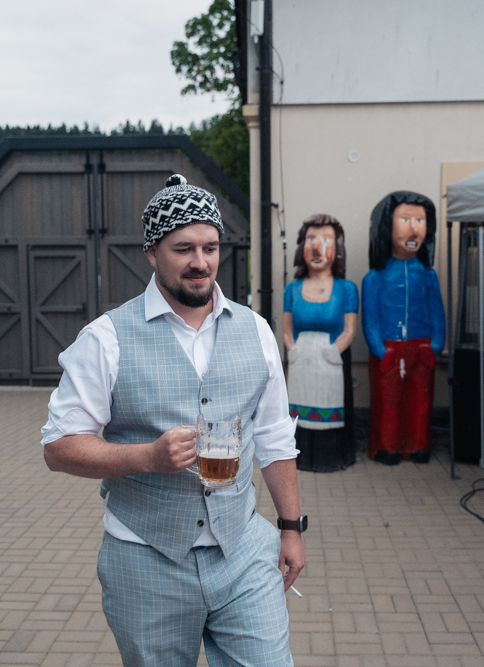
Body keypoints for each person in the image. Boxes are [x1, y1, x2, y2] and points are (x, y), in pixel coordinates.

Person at [42, 175, 305, 666]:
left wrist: (290, 528)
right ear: (152, 252)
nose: (200, 262)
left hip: (243, 551)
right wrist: (147, 456)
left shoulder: (256, 330)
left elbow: (273, 436)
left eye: (210, 247)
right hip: (145, 560)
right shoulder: (106, 338)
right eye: (183, 248)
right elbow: (59, 447)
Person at [362, 192, 445, 465]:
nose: (414, 229)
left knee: (421, 400)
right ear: (387, 226)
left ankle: (419, 445)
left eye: (420, 220)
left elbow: (437, 312)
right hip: (389, 348)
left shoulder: (428, 275)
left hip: (422, 347)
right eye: (406, 219)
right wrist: (379, 349)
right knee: (389, 400)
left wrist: (435, 345)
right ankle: (388, 446)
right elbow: (370, 319)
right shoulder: (375, 278)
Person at [283, 214, 358, 471]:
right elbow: (286, 329)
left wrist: (334, 351)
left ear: (338, 249)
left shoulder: (347, 289)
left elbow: (350, 329)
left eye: (326, 240)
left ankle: (329, 458)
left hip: (330, 362)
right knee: (299, 410)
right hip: (301, 362)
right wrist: (293, 349)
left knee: (329, 406)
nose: (317, 247)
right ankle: (301, 457)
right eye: (311, 239)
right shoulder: (292, 289)